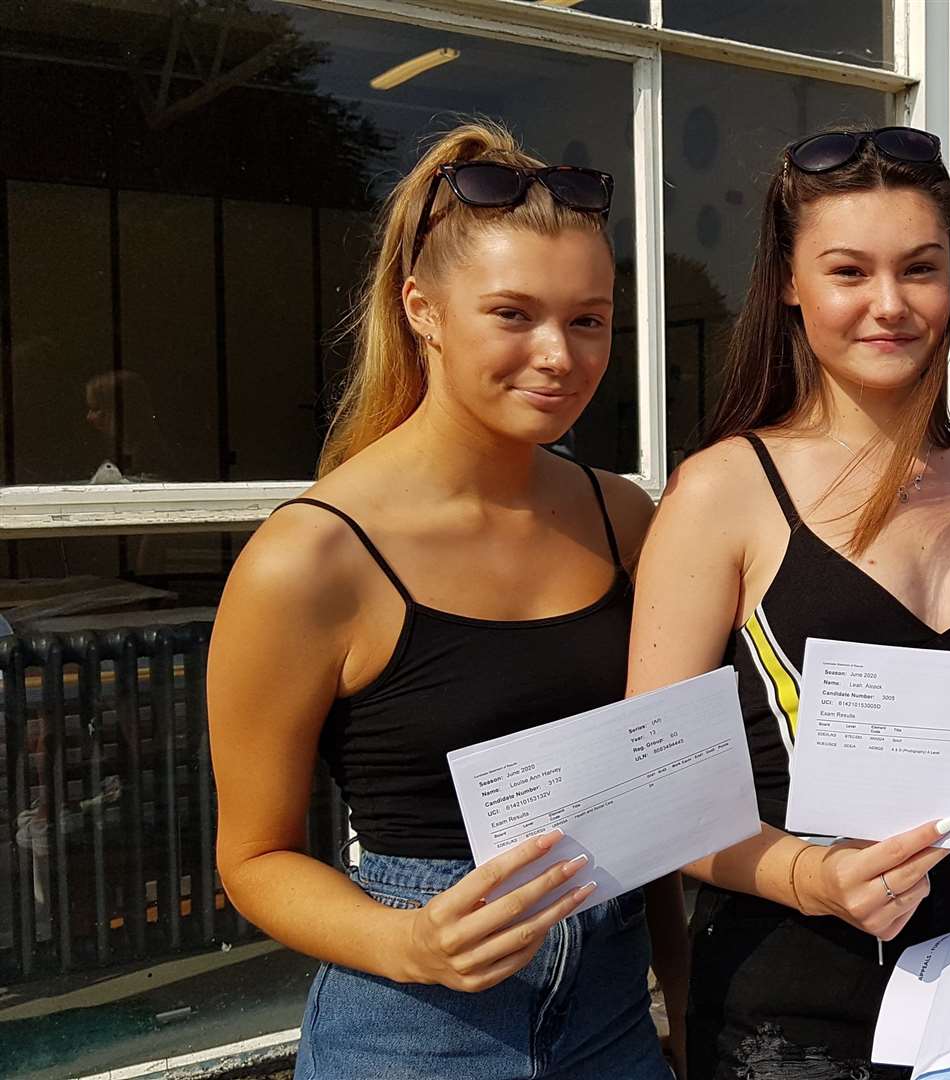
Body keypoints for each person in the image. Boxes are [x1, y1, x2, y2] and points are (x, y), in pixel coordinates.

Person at [627, 126, 950, 1079]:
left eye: (920, 269)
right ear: (789, 284)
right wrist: (811, 878)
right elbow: (657, 793)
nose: (888, 305)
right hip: (789, 1010)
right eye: (848, 270)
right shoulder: (723, 491)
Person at [207, 121, 680, 1079]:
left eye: (588, 320)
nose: (558, 354)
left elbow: (660, 795)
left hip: (615, 1022)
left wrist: (690, 1013)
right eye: (514, 314)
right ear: (422, 310)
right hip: (415, 1035)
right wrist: (409, 943)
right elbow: (252, 859)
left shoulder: (623, 517)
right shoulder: (311, 559)